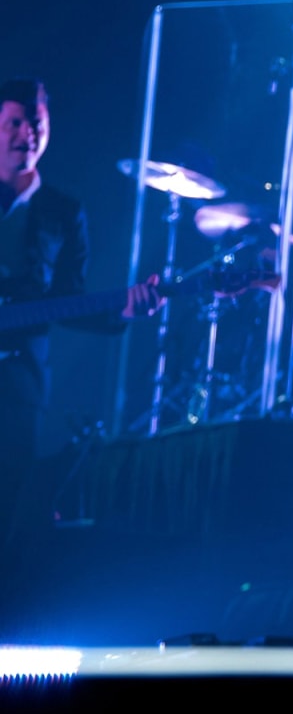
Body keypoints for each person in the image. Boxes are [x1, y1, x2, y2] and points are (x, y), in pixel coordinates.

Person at [0, 81, 146, 513]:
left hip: (18, 381)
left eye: (37, 123)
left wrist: (121, 311)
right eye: (15, 121)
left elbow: (68, 298)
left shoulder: (63, 211)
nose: (27, 132)